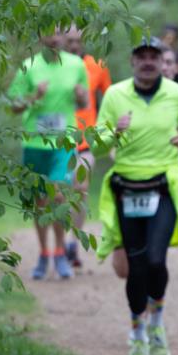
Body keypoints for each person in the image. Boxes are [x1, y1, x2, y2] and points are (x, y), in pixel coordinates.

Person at [94, 35, 178, 355]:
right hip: (126, 187)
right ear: (132, 62)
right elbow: (97, 146)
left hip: (163, 185)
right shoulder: (115, 94)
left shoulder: (177, 94)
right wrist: (113, 132)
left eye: (153, 57)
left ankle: (155, 323)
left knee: (156, 261)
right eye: (141, 57)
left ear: (163, 62)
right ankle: (137, 335)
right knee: (135, 263)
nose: (147, 62)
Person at [9, 29, 89, 281]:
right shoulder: (28, 66)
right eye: (49, 33)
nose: (55, 38)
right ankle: (44, 253)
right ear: (41, 36)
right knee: (40, 201)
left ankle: (60, 253)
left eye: (59, 33)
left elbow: (85, 103)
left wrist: (80, 95)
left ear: (64, 38)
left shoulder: (76, 64)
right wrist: (35, 96)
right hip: (34, 141)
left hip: (64, 142)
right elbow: (14, 106)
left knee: (58, 197)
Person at [61, 25, 112, 268]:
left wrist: (109, 138)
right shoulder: (54, 67)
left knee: (80, 187)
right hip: (56, 139)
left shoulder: (97, 66)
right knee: (58, 193)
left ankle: (74, 241)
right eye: (69, 40)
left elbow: (111, 102)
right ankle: (59, 244)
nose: (73, 45)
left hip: (85, 140)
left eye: (77, 41)